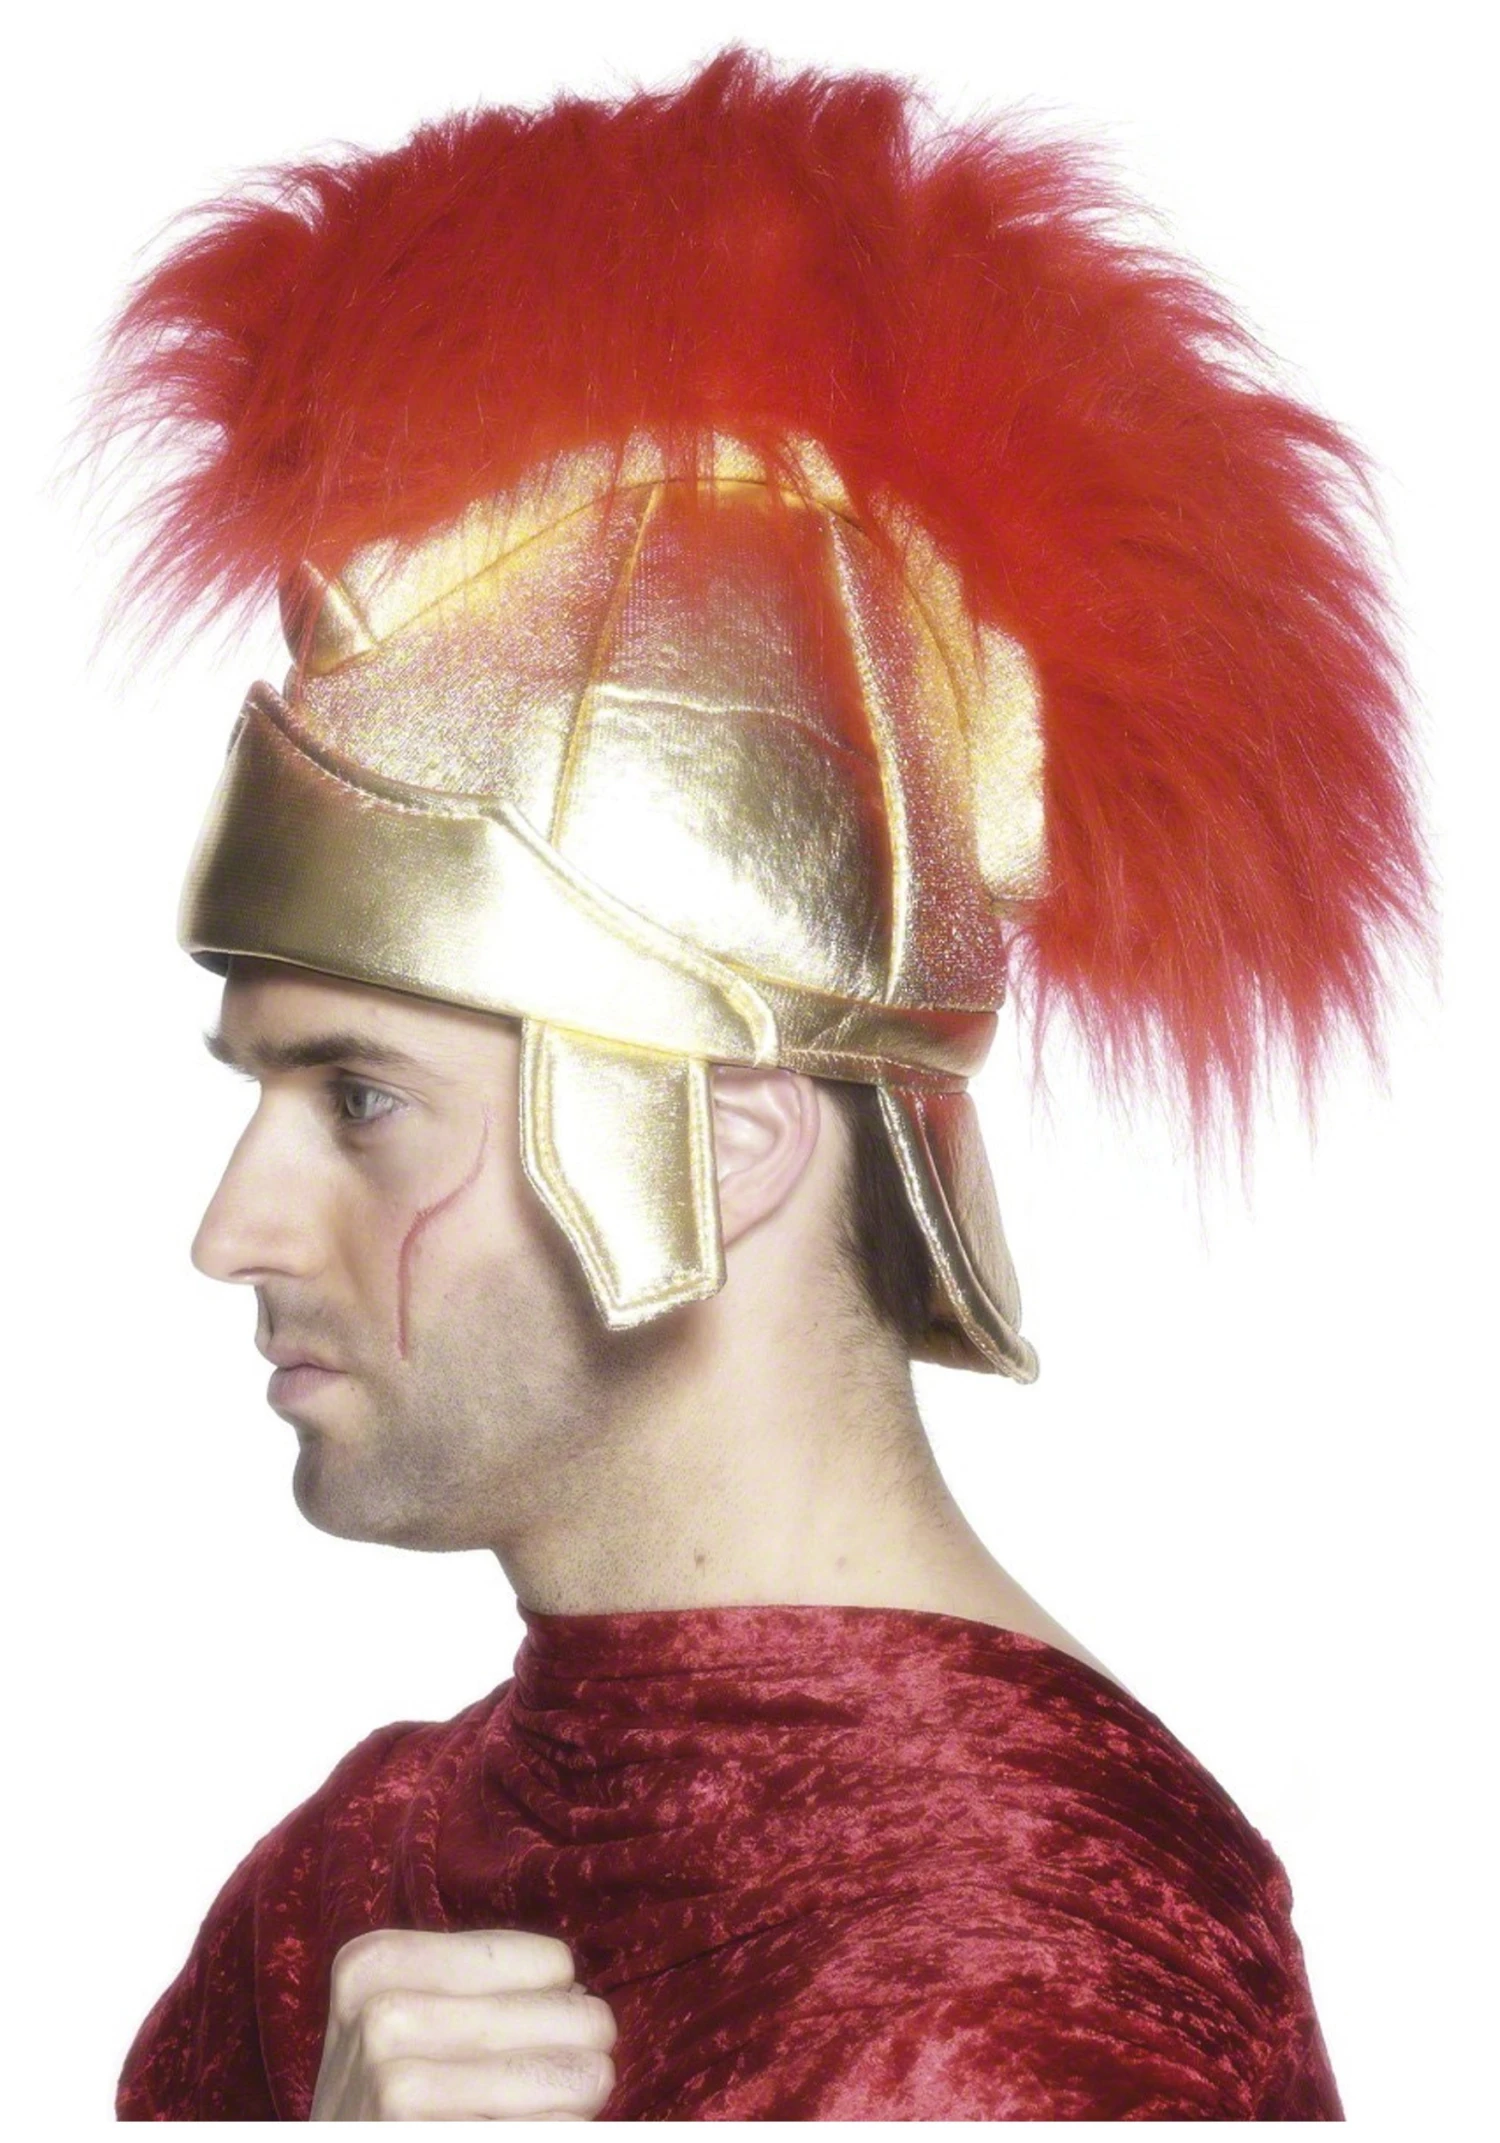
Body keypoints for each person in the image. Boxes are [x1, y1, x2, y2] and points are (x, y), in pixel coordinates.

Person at [98, 48, 1425, 2120]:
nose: (230, 1231)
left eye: (358, 1099)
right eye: (262, 1091)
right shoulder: (359, 1879)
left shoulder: (1022, 2005)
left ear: (722, 1139)